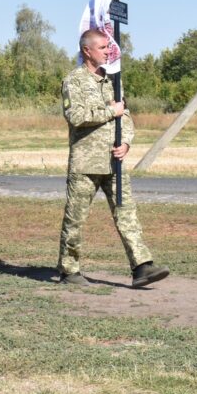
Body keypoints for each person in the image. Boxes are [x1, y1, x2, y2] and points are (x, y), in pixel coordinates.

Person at [58, 29, 170, 288]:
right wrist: (111, 110)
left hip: (114, 161)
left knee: (127, 213)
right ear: (87, 51)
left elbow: (126, 116)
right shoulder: (73, 80)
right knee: (75, 218)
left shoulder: (112, 81)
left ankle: (142, 266)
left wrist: (126, 142)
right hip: (86, 163)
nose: (108, 51)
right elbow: (75, 116)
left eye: (108, 47)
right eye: (102, 48)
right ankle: (69, 270)